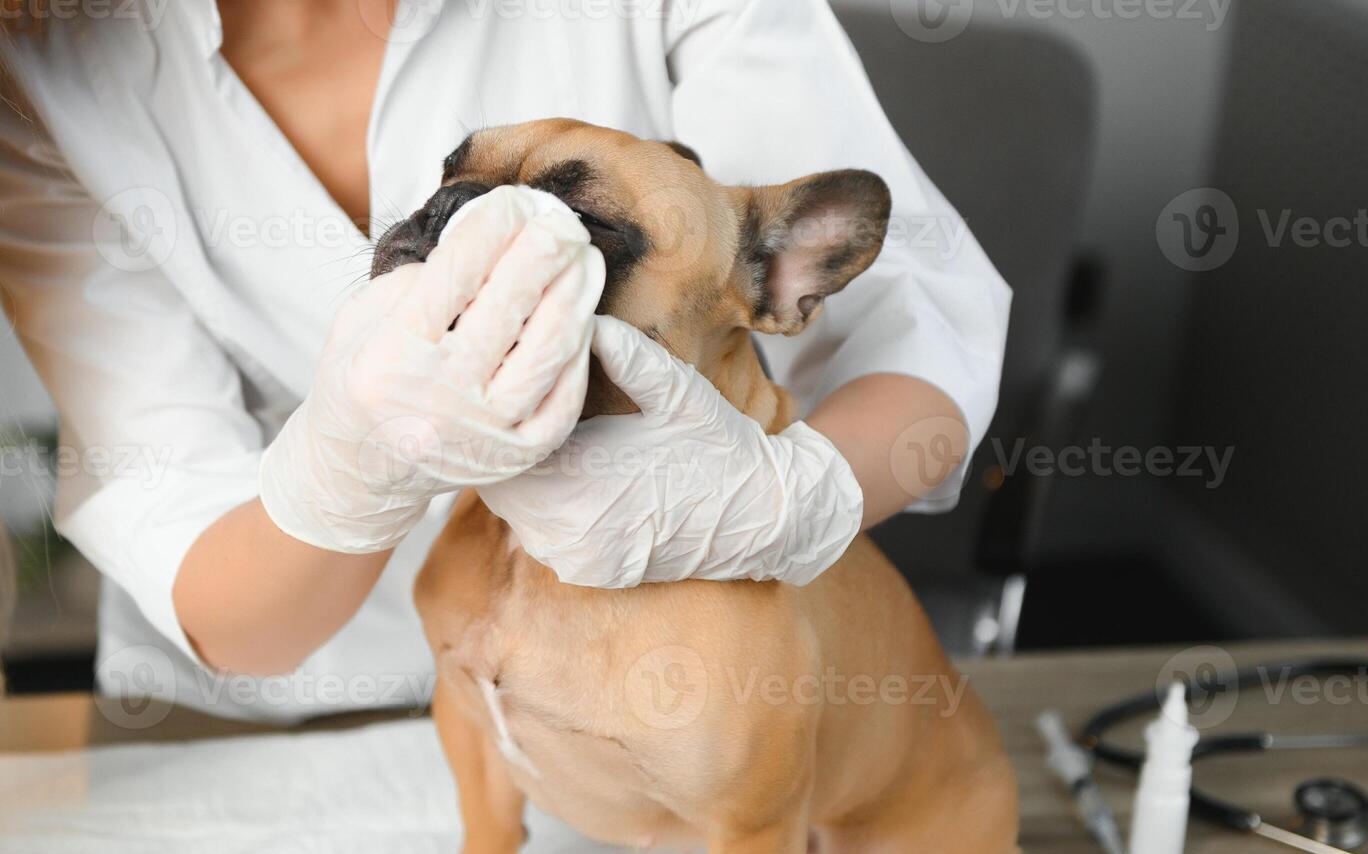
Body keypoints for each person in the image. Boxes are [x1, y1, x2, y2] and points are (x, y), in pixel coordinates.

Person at [0, 0, 1010, 722]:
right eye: (451, 187)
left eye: (589, 224)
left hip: (671, 671)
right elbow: (187, 528)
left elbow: (916, 324)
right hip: (311, 697)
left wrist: (788, 499)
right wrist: (347, 476)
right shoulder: (39, 56)